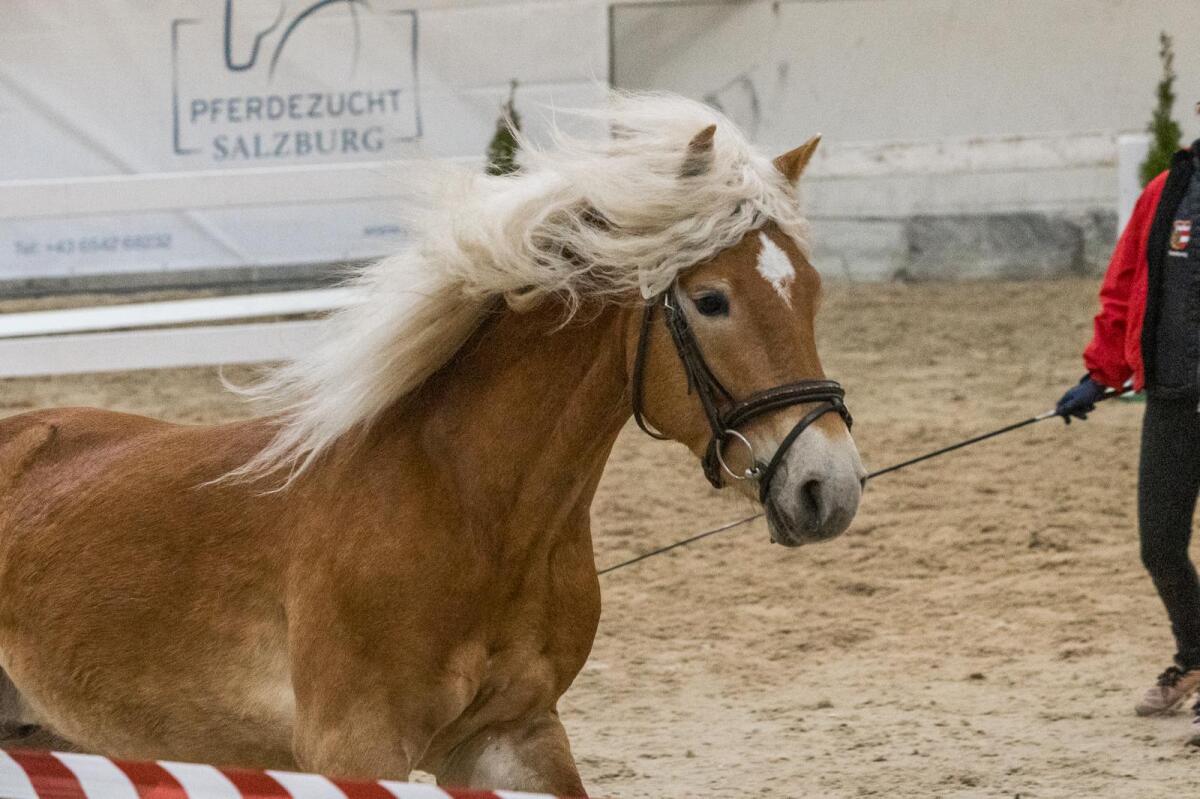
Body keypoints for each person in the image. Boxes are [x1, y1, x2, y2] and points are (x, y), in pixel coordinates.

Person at [1057, 125, 1200, 741]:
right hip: (1170, 399)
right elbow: (1123, 289)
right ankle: (1194, 659)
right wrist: (1101, 373)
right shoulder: (1166, 193)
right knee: (1160, 547)